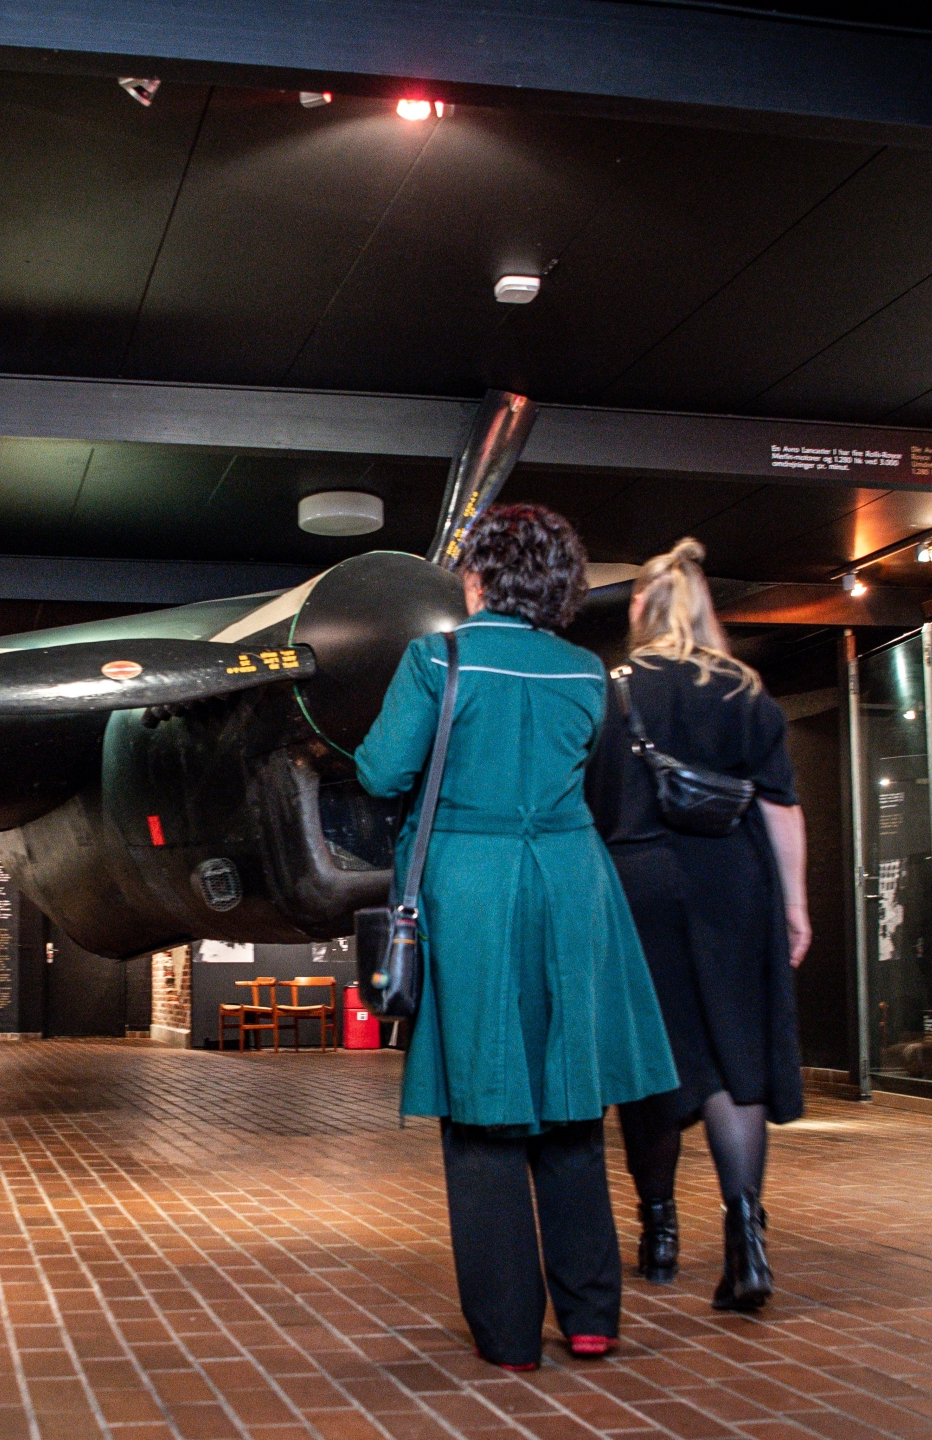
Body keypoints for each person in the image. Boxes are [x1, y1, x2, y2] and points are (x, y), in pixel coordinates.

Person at [355, 504, 677, 1371]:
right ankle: (591, 1317)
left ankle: (507, 1333)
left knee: (483, 1115)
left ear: (480, 575)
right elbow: (601, 790)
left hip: (473, 888)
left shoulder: (438, 658)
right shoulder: (585, 671)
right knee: (572, 1108)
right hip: (575, 885)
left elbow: (382, 770)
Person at [585, 537, 810, 1314]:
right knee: (731, 1057)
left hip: (637, 883)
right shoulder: (747, 691)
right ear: (704, 606)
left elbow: (586, 810)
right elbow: (781, 809)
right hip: (734, 884)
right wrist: (795, 905)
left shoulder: (610, 691)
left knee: (651, 1059)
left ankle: (658, 1234)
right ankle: (746, 1236)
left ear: (641, 606)